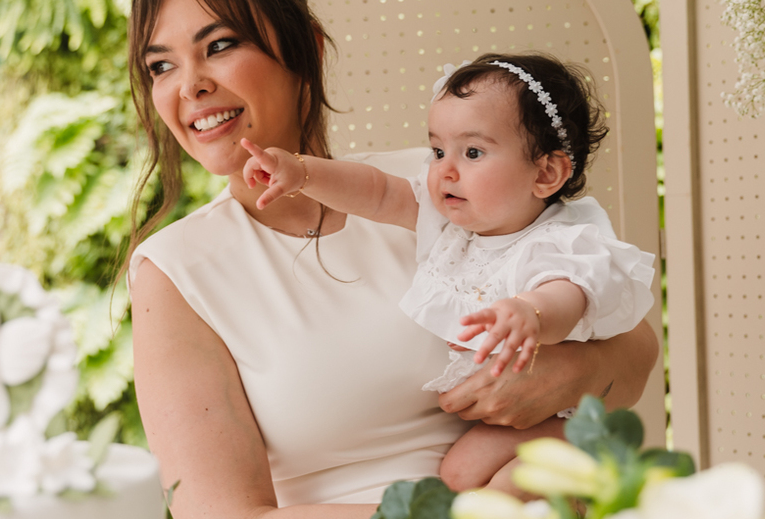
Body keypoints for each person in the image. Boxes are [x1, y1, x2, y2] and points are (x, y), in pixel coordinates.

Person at [123, 0, 658, 519]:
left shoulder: (439, 185)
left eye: (219, 46)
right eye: (161, 66)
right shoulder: (176, 273)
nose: (191, 85)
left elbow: (634, 349)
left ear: (305, 48)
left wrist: (569, 374)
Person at [240, 54, 657, 492]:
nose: (445, 170)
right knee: (461, 474)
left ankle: (582, 455)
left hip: (557, 408)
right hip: (507, 410)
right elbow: (376, 192)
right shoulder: (450, 226)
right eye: (438, 151)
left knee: (473, 475)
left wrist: (529, 312)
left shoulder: (559, 242)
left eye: (472, 152)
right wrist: (302, 173)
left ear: (546, 173)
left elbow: (567, 296)